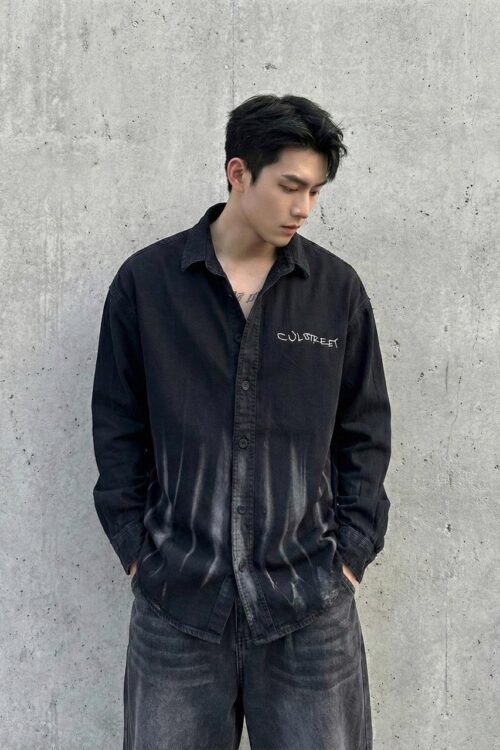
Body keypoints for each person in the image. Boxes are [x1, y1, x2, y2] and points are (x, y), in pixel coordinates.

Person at [91, 93, 391, 750]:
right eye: (290, 186)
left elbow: (364, 433)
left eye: (315, 191)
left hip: (309, 605)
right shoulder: (148, 285)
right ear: (238, 173)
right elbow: (118, 429)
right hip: (178, 605)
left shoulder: (335, 291)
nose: (303, 207)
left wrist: (350, 555)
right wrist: (137, 550)